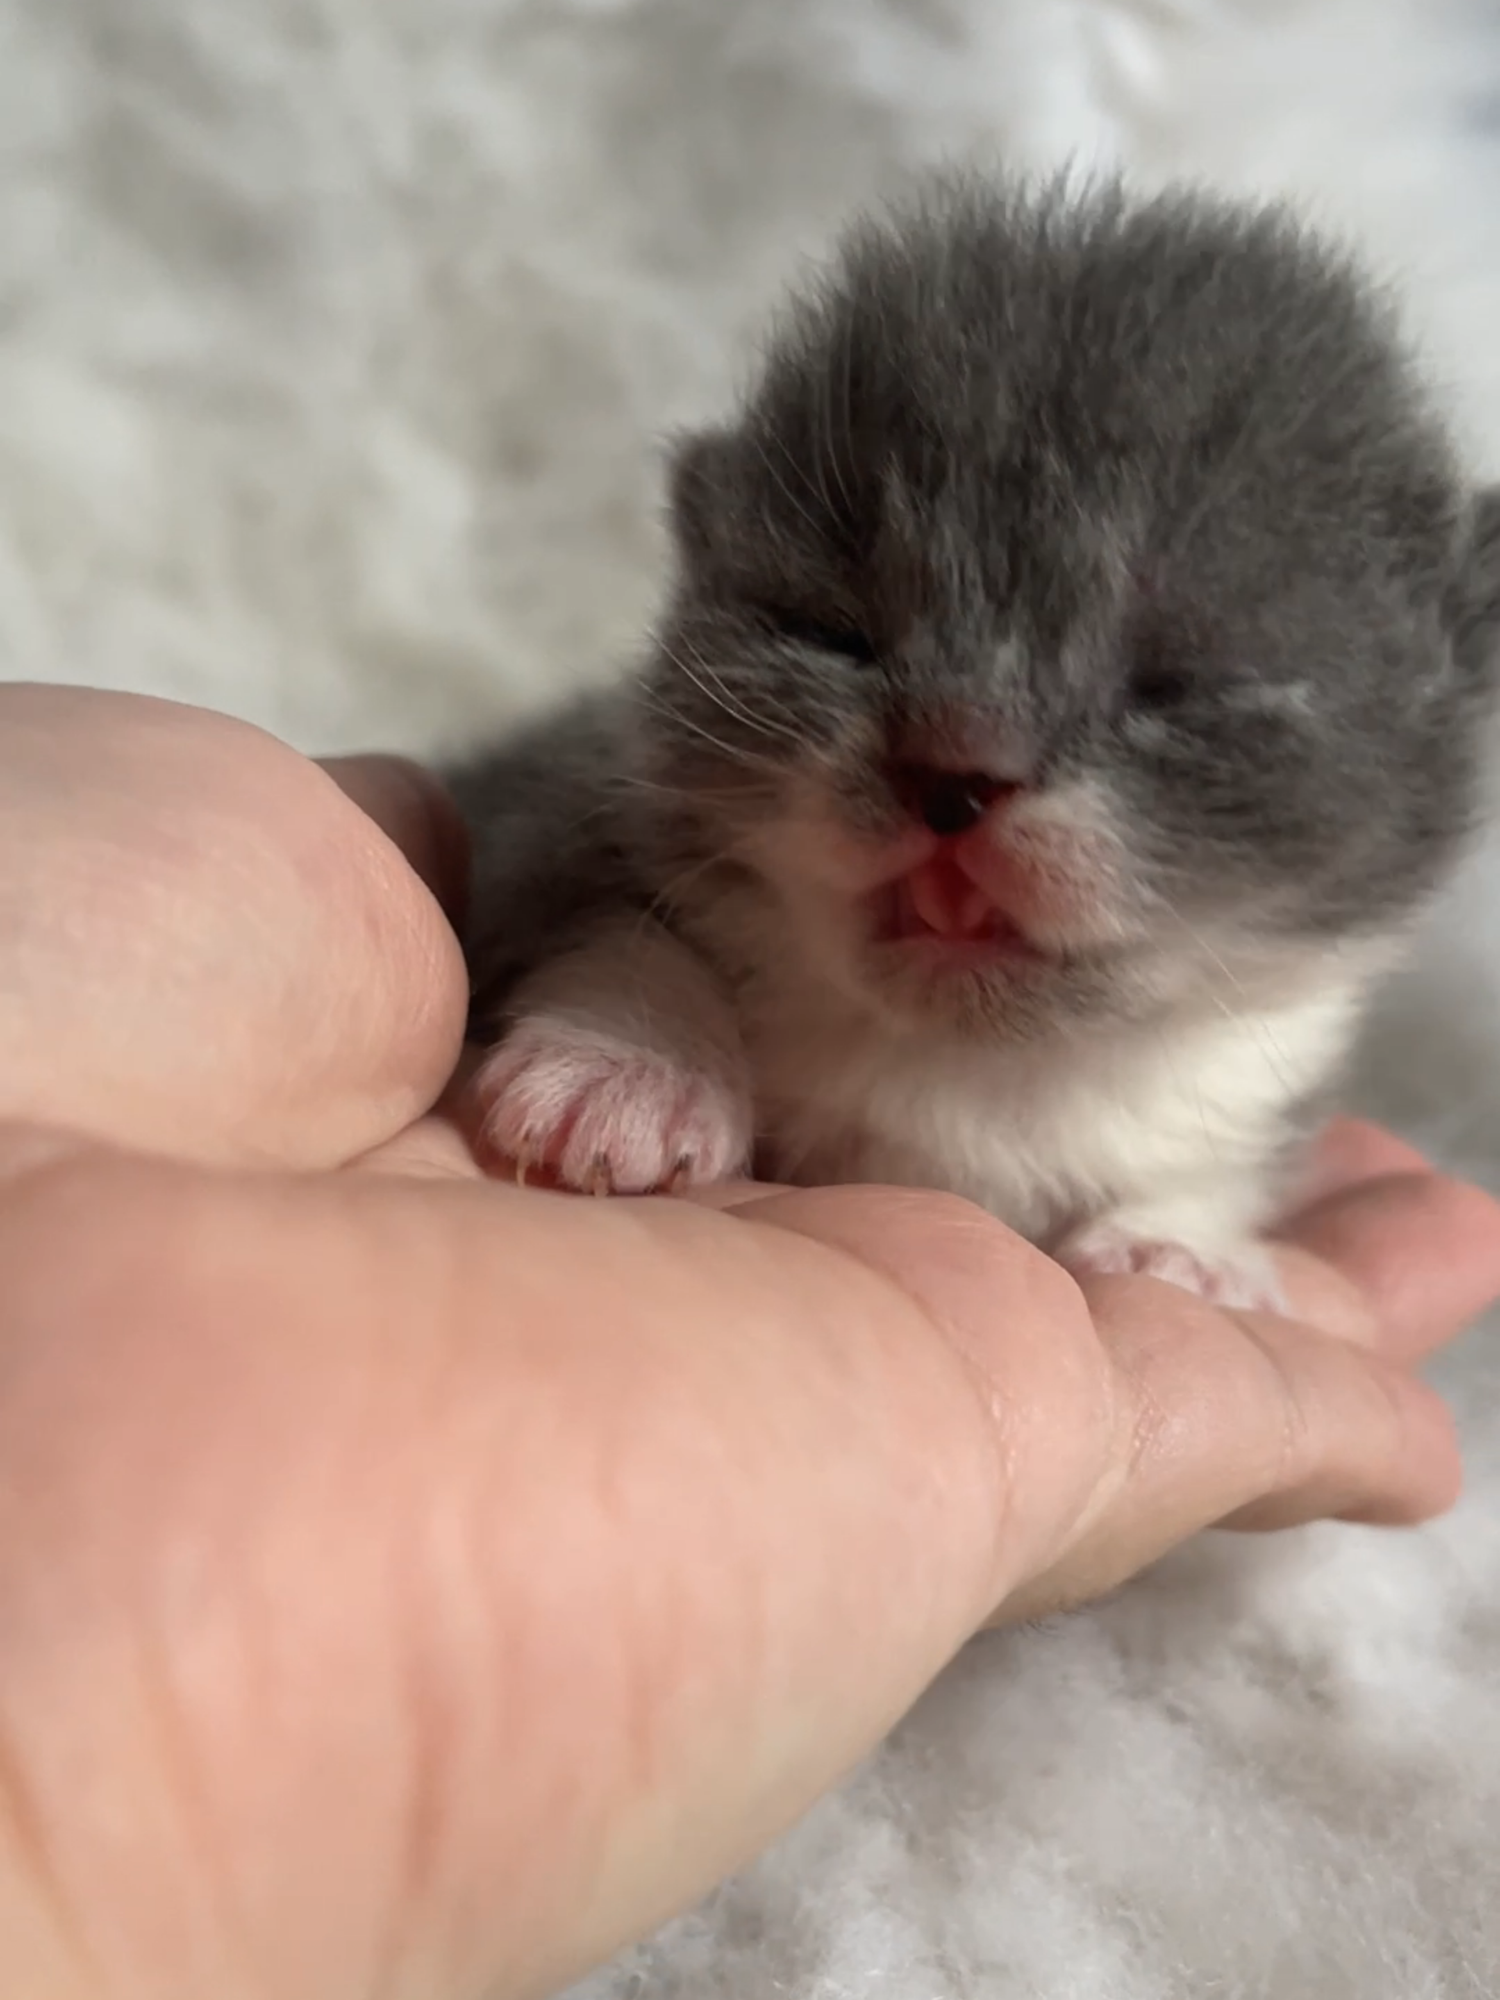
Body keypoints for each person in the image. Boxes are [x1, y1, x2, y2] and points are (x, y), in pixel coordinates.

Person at [1, 681, 1495, 2000]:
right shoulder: (671, 838)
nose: (971, 750)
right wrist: (636, 994)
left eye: (1178, 698)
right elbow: (567, 866)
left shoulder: (1250, 1014)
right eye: (845, 632)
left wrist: (1187, 1213)